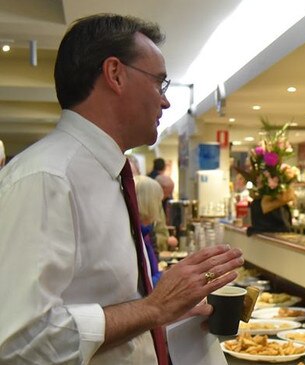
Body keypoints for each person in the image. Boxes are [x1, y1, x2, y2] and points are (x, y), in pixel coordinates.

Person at [0, 14, 244, 364]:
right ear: (115, 74)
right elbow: (20, 342)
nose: (165, 101)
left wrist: (168, 312)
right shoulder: (46, 178)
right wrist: (153, 308)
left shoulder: (107, 174)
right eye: (159, 83)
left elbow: (107, 306)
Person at [135, 175, 165, 286]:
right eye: (158, 201)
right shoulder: (136, 235)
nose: (159, 206)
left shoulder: (145, 231)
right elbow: (142, 284)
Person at [154, 174, 178, 251]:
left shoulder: (158, 202)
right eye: (168, 192)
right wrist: (166, 240)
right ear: (161, 188)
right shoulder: (151, 204)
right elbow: (147, 235)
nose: (168, 196)